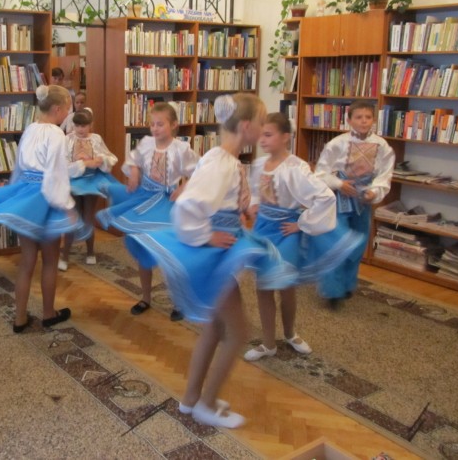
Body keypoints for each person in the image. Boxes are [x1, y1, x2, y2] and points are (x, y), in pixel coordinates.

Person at [128, 93, 285, 428]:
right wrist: (207, 235)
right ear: (246, 126)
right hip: (211, 255)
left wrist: (243, 209)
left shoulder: (222, 158)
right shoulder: (220, 163)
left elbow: (213, 198)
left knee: (215, 328)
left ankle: (191, 399)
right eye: (261, 122)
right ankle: (208, 404)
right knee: (238, 333)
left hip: (220, 249)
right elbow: (188, 206)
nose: (263, 128)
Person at [0, 84, 89, 333]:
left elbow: (19, 167)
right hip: (46, 199)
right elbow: (55, 175)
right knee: (50, 261)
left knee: (27, 261)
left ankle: (20, 318)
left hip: (25, 197)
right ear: (57, 109)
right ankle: (48, 313)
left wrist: (14, 193)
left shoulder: (30, 129)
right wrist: (67, 206)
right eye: (67, 109)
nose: (68, 114)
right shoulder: (56, 134)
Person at [243, 113, 363, 361]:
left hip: (285, 231)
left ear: (285, 137)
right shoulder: (259, 165)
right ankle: (268, 343)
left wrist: (301, 223)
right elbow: (255, 190)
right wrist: (254, 204)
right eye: (261, 135)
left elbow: (324, 197)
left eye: (269, 135)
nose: (263, 140)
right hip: (263, 230)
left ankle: (290, 333)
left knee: (286, 286)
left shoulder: (296, 168)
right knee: (263, 286)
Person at [97, 101, 199, 322]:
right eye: (152, 124)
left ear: (174, 125)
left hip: (166, 204)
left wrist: (183, 187)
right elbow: (133, 160)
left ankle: (179, 301)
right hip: (143, 198)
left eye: (160, 124)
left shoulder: (181, 149)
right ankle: (145, 297)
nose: (155, 128)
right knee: (142, 247)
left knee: (168, 251)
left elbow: (198, 171)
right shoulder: (146, 143)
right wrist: (134, 171)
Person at [315, 99, 395, 308]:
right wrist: (339, 184)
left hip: (363, 200)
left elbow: (384, 176)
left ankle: (347, 284)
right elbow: (321, 172)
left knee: (358, 243)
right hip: (339, 200)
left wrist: (374, 192)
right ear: (349, 120)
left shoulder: (383, 146)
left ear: (374, 120)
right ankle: (332, 290)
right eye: (359, 117)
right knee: (338, 242)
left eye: (368, 117)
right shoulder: (337, 144)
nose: (363, 121)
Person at [59, 108, 119, 271]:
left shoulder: (96, 139)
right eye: (77, 126)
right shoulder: (68, 139)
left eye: (84, 126)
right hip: (73, 181)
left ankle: (90, 252)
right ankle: (65, 255)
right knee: (73, 217)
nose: (80, 129)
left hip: (92, 181)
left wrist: (100, 160)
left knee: (88, 217)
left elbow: (108, 157)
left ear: (91, 125)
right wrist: (83, 163)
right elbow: (63, 163)